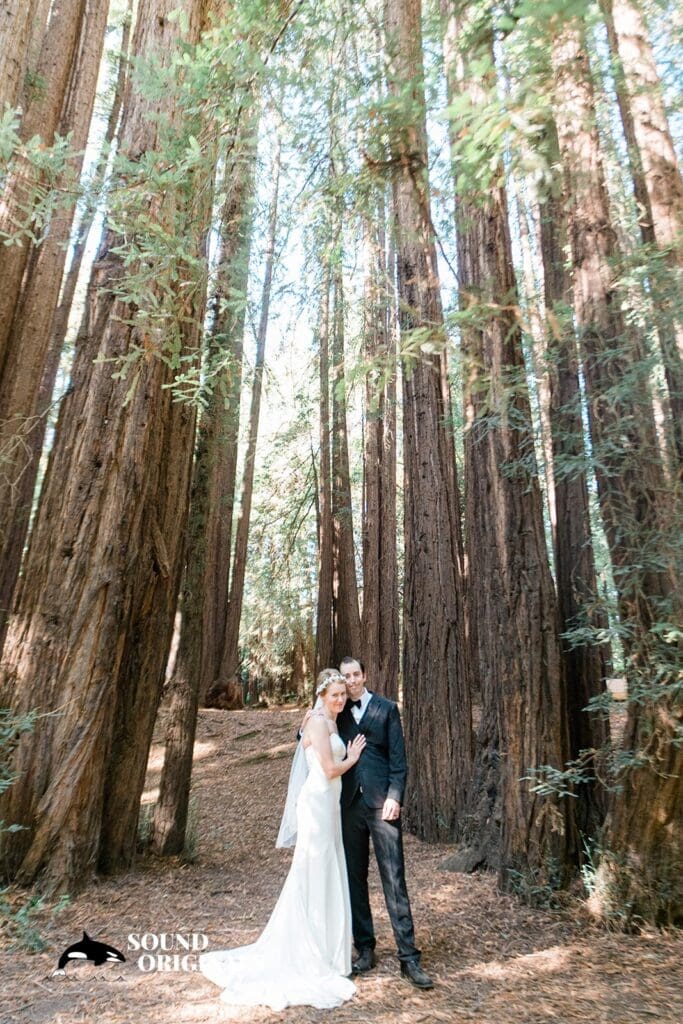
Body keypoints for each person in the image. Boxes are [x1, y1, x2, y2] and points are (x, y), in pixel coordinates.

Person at [199, 670, 366, 1010]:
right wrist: (353, 757)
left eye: (341, 695)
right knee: (315, 873)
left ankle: (329, 952)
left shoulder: (329, 723)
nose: (339, 700)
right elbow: (329, 769)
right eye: (333, 694)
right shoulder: (319, 723)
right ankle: (312, 952)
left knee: (326, 870)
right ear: (321, 695)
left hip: (329, 806)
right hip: (317, 805)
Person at [337, 656, 434, 990]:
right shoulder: (337, 711)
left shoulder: (387, 709)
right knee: (355, 879)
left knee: (394, 878)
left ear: (364, 675)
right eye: (345, 676)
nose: (351, 680)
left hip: (383, 806)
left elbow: (399, 760)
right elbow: (314, 734)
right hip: (348, 807)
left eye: (355, 674)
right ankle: (365, 949)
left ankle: (409, 957)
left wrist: (396, 795)